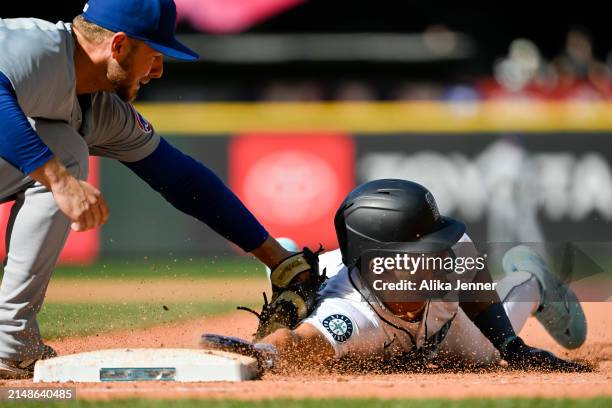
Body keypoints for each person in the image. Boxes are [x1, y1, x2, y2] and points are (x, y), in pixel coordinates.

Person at [0, 0, 315, 379]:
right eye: (154, 53)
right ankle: (10, 341)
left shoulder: (103, 110)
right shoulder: (33, 47)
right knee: (65, 157)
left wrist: (278, 259)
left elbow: (181, 179)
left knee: (65, 150)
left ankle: (10, 345)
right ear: (118, 45)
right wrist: (59, 181)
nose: (159, 69)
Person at [201, 179, 589, 373]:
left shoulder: (451, 251)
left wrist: (512, 346)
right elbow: (300, 342)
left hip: (440, 325)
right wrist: (264, 353)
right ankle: (284, 259)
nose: (440, 256)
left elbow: (474, 283)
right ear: (376, 263)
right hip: (349, 297)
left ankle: (533, 280)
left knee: (484, 355)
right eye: (421, 253)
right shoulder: (350, 315)